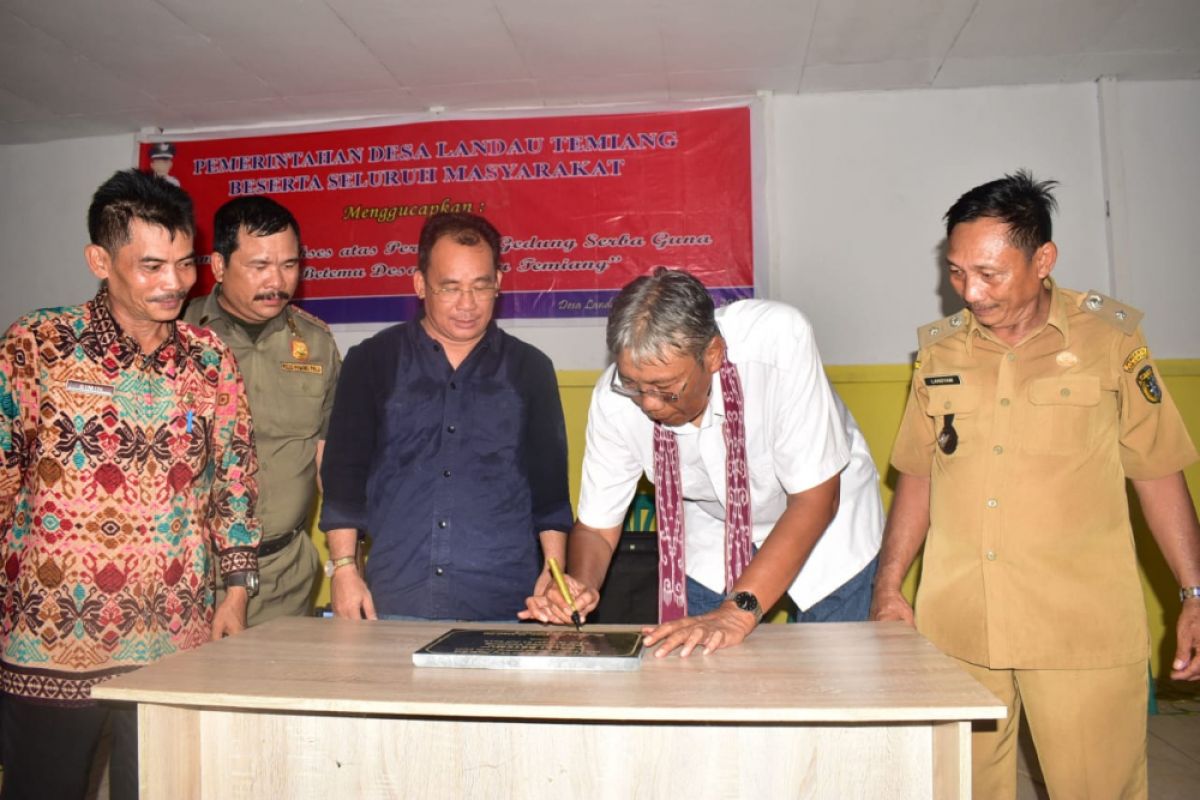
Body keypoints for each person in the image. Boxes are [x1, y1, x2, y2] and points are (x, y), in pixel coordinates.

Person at [870, 170, 1200, 799]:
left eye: (990, 273)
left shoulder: (1112, 341)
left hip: (1079, 628)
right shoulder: (940, 353)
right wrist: (888, 588)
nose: (971, 292)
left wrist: (1195, 592)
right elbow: (918, 474)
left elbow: (1158, 470)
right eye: (957, 272)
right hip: (960, 627)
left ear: (1043, 259)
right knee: (962, 788)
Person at [0, 169, 260, 798]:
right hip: (50, 642)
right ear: (100, 261)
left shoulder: (209, 358)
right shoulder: (39, 345)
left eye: (184, 263)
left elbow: (235, 479)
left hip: (176, 644)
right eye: (150, 266)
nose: (175, 282)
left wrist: (236, 592)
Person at [524, 268, 884, 657]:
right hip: (714, 528)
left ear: (712, 354)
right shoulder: (614, 401)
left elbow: (815, 500)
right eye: (634, 386)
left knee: (834, 668)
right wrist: (581, 585)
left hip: (823, 523)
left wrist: (737, 612)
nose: (649, 403)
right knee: (700, 667)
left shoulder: (779, 340)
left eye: (665, 388)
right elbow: (597, 528)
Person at [319, 212, 572, 620]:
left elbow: (550, 490)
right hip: (397, 600)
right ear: (420, 284)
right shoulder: (372, 361)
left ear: (499, 283)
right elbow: (344, 479)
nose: (467, 305)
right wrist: (344, 569)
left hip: (506, 603)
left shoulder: (530, 369)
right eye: (450, 288)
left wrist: (553, 570)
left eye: (481, 286)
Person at [184, 196, 340, 626]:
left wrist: (347, 564)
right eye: (260, 266)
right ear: (219, 266)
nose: (277, 280)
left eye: (289, 265)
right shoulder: (177, 337)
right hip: (190, 575)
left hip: (284, 575)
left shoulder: (317, 343)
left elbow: (328, 461)